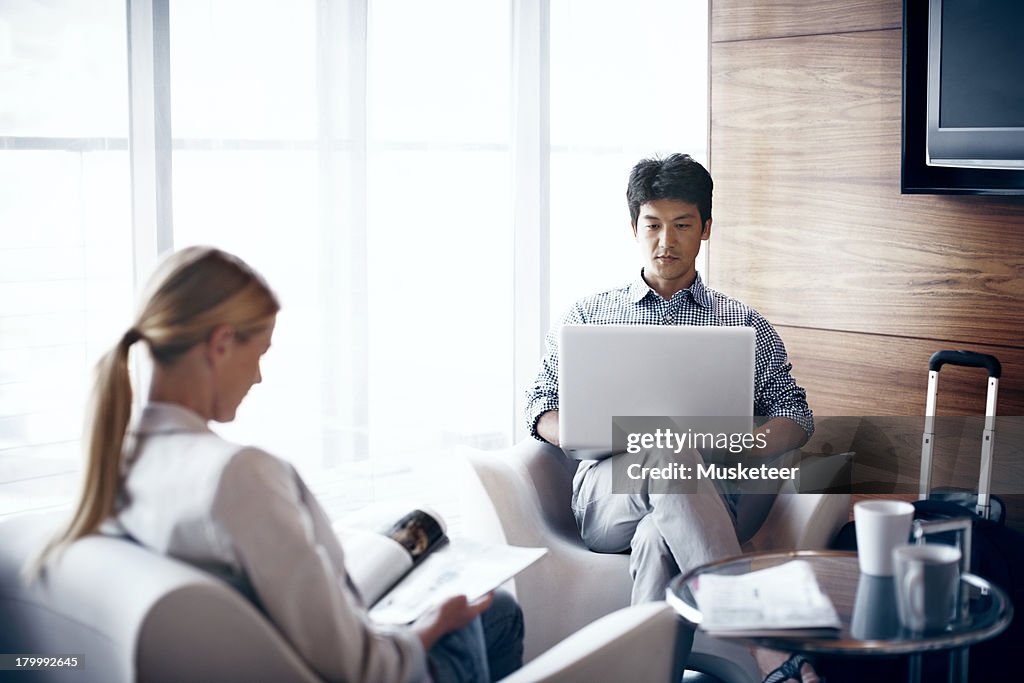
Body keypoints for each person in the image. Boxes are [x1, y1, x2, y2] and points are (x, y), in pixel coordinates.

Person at [36, 246, 523, 683]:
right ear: (221, 343)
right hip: (359, 667)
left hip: (280, 639)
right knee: (495, 609)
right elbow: (360, 667)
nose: (260, 377)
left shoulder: (118, 455)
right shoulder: (236, 476)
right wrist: (431, 628)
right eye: (259, 352)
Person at [525, 153, 814, 605]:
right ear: (634, 229)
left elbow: (795, 416)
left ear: (706, 228)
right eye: (653, 225)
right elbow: (540, 403)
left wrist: (738, 444)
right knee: (667, 447)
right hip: (607, 495)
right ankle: (760, 642)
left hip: (711, 496)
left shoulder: (743, 323)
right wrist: (574, 433)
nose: (666, 241)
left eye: (682, 224)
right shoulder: (588, 316)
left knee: (658, 538)